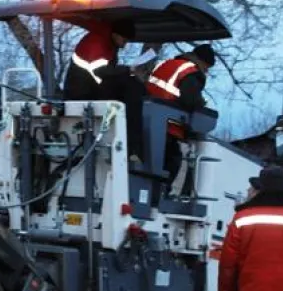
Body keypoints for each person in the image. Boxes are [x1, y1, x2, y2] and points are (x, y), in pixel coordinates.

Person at [62, 19, 147, 163]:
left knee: (132, 85)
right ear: (116, 35)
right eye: (125, 40)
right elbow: (100, 71)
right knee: (133, 88)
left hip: (89, 88)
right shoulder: (97, 43)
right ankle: (132, 147)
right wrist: (128, 70)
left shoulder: (106, 42)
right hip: (82, 92)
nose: (125, 44)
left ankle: (131, 145)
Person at [145, 44, 215, 197]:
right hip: (168, 124)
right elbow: (190, 100)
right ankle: (163, 193)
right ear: (202, 61)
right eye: (207, 67)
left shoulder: (166, 64)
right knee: (174, 160)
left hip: (146, 118)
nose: (206, 71)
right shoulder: (191, 72)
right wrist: (202, 106)